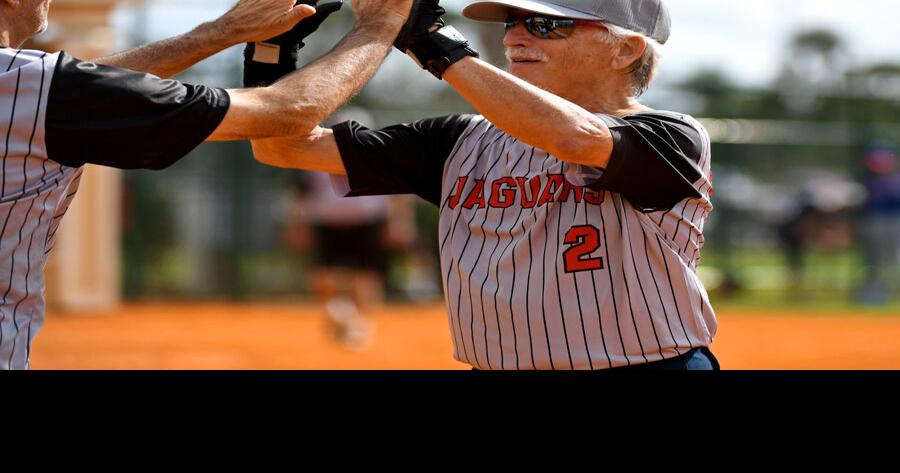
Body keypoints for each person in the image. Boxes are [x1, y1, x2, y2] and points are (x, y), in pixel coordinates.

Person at [253, 0, 720, 370]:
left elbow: (574, 138)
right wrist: (270, 52)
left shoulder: (671, 136)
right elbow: (282, 148)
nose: (514, 36)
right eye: (512, 23)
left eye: (545, 25)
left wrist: (432, 42)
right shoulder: (461, 140)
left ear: (626, 49)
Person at [0, 0, 414, 369]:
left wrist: (226, 32)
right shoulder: (39, 88)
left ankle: (354, 320)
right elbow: (290, 110)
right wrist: (380, 23)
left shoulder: (36, 88)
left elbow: (77, 90)